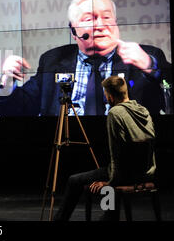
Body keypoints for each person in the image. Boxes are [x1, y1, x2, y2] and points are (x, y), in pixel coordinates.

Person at [0, 0, 171, 116]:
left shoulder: (146, 56)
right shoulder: (53, 60)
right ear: (73, 31)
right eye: (90, 19)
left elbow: (168, 98)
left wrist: (151, 67)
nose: (101, 25)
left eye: (107, 17)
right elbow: (18, 111)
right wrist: (6, 80)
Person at [53, 76, 157, 221]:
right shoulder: (143, 110)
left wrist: (110, 183)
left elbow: (116, 155)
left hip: (127, 174)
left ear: (110, 96)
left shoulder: (115, 113)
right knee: (108, 172)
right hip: (147, 172)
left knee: (74, 180)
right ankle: (109, 216)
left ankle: (59, 220)